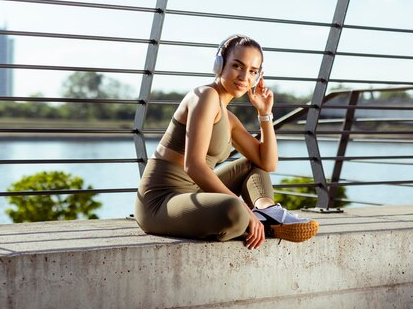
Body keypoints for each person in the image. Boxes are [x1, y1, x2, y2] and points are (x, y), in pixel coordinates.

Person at [134, 34, 318, 250]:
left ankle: (268, 211)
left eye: (252, 71)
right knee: (235, 210)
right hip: (161, 202)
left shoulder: (229, 119)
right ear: (219, 64)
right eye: (237, 66)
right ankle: (256, 221)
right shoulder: (205, 96)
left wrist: (265, 114)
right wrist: (244, 207)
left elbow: (267, 163)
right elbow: (193, 165)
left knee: (253, 165)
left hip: (195, 194)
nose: (243, 76)